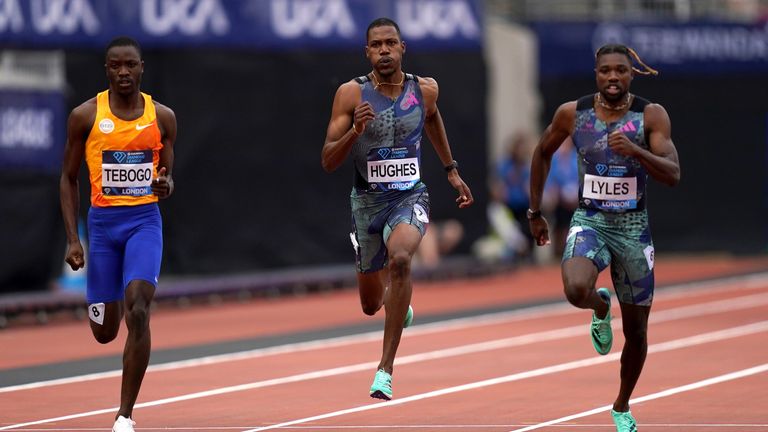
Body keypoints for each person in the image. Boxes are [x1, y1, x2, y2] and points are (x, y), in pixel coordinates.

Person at [528, 44, 680, 432]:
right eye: (605, 71)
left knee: (638, 333)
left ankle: (622, 404)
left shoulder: (650, 115)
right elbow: (541, 153)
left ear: (632, 74)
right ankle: (599, 308)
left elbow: (673, 172)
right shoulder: (572, 114)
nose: (613, 77)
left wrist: (636, 150)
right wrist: (535, 212)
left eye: (621, 71)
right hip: (590, 220)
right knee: (575, 288)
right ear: (596, 74)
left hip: (632, 228)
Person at [321, 17, 473, 400]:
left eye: (391, 43)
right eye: (377, 45)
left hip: (409, 197)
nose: (384, 50)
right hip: (367, 203)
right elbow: (327, 159)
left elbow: (433, 119)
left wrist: (451, 170)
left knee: (402, 258)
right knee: (372, 304)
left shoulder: (425, 90)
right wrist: (355, 131)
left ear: (403, 47)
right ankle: (395, 300)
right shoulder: (350, 95)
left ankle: (384, 370)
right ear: (367, 52)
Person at [59, 36, 176, 432]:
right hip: (104, 228)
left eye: (130, 65)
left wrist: (164, 185)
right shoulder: (85, 116)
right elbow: (68, 178)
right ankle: (105, 318)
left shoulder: (162, 117)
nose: (123, 72)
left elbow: (166, 178)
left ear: (142, 67)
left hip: (144, 222)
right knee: (105, 332)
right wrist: (74, 239)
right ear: (106, 69)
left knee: (138, 308)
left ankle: (125, 414)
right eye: (115, 66)